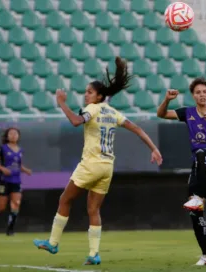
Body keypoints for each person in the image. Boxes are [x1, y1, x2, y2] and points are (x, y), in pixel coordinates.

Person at [33, 57, 163, 265]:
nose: (86, 95)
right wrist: (154, 148)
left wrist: (62, 104)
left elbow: (76, 122)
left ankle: (53, 242)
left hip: (91, 164)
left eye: (89, 92)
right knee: (93, 210)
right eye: (86, 92)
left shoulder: (93, 109)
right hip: (107, 167)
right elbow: (137, 128)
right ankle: (94, 254)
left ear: (99, 96)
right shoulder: (113, 113)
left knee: (65, 200)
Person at [156, 78, 206, 265]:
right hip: (199, 163)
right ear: (193, 95)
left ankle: (199, 195)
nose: (201, 95)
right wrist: (167, 99)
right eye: (198, 92)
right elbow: (161, 114)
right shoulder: (188, 112)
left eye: (204, 91)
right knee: (195, 211)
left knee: (203, 152)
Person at [0, 128, 32, 236]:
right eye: (11, 133)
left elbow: (18, 164)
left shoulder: (20, 150)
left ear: (19, 136)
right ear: (7, 136)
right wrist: (3, 169)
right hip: (4, 181)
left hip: (16, 180)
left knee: (16, 204)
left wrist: (25, 170)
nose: (13, 135)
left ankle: (10, 230)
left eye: (15, 133)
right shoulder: (2, 148)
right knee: (1, 206)